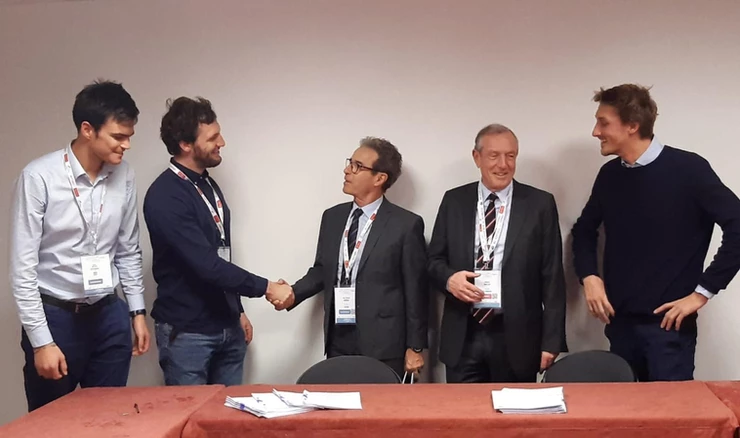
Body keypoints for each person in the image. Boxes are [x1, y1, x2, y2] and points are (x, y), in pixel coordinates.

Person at [572, 84, 740, 381]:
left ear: (632, 126)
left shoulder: (689, 170)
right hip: (620, 326)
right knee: (623, 410)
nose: (595, 132)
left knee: (670, 412)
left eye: (603, 123)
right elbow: (584, 230)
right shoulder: (610, 175)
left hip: (668, 330)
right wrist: (589, 277)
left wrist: (702, 292)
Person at [10, 80, 150, 411]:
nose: (127, 145)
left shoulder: (124, 175)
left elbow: (128, 249)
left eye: (129, 136)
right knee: (51, 424)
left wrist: (136, 311)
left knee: (108, 419)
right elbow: (22, 268)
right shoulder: (39, 177)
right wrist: (41, 342)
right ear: (88, 130)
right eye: (118, 136)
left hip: (108, 314)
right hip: (56, 316)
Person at [143, 96, 292, 385]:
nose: (221, 142)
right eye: (212, 138)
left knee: (230, 412)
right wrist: (267, 287)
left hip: (227, 327)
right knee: (190, 412)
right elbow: (207, 265)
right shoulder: (166, 196)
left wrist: (237, 311)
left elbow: (221, 255)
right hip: (188, 334)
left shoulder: (207, 184)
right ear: (186, 145)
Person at [278, 137, 428, 380]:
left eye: (357, 166)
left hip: (384, 342)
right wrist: (293, 293)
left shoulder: (405, 224)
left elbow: (416, 290)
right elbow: (322, 270)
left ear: (380, 178)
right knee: (339, 401)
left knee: (380, 403)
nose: (347, 170)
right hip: (339, 336)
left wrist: (416, 347)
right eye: (350, 163)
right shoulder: (333, 217)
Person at [428, 123, 567, 383]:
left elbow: (552, 277)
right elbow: (433, 261)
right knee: (463, 408)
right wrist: (449, 280)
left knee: (514, 408)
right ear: (477, 157)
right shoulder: (454, 201)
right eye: (494, 155)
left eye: (510, 156)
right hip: (464, 334)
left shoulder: (539, 204)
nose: (503, 165)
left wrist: (551, 341)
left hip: (517, 336)